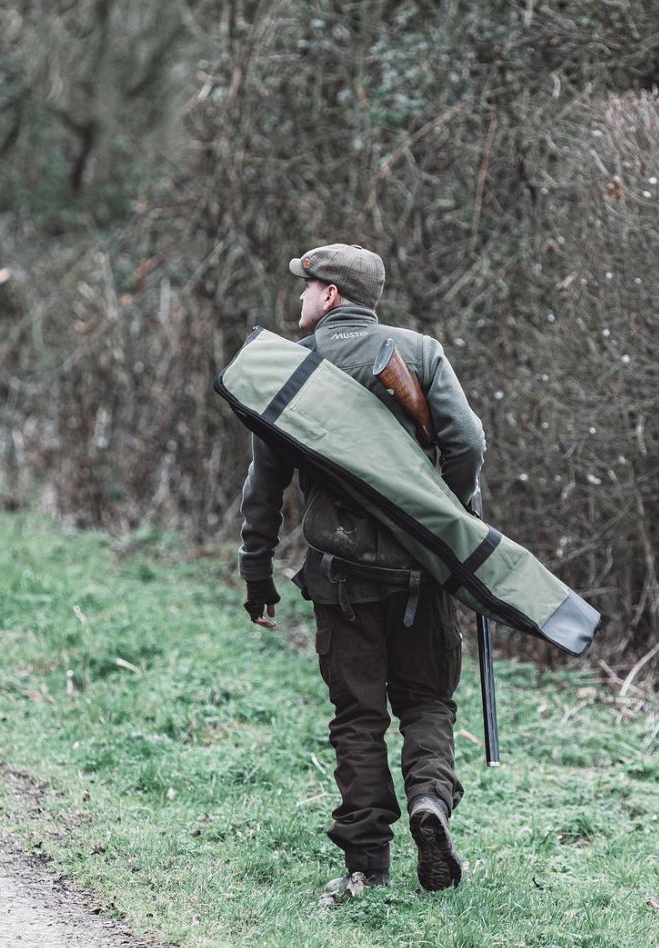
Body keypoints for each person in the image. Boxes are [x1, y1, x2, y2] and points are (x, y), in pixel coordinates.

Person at [238, 243, 485, 897]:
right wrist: (441, 514)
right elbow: (469, 443)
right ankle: (430, 802)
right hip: (422, 569)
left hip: (339, 575)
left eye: (306, 287)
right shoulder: (422, 353)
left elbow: (266, 483)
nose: (299, 299)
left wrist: (255, 570)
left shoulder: (289, 368)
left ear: (332, 297)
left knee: (359, 717)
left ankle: (366, 864)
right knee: (428, 702)